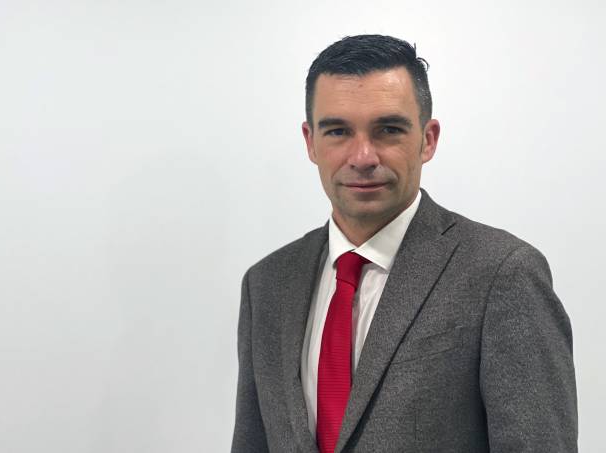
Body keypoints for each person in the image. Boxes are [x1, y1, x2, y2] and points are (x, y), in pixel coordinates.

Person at [231, 34, 577, 453]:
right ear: (310, 142)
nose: (362, 156)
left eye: (388, 130)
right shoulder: (266, 284)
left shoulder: (502, 274)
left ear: (428, 139)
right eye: (338, 131)